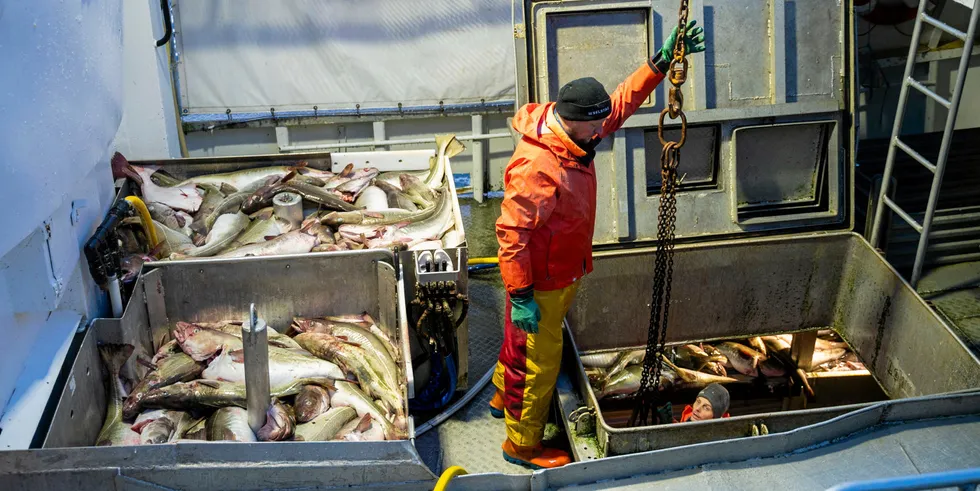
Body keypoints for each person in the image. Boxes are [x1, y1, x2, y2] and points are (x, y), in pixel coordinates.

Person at [487, 21, 707, 469]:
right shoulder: (539, 165)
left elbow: (621, 102)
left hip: (561, 273)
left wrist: (660, 63)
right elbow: (511, 235)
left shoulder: (573, 131)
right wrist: (523, 294)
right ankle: (522, 445)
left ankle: (498, 394)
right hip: (541, 283)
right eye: (596, 126)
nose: (601, 130)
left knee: (520, 344)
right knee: (539, 364)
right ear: (575, 122)